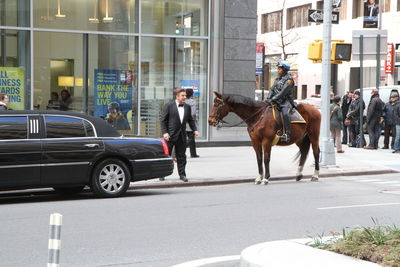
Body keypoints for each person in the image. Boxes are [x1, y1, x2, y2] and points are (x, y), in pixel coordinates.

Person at [160, 88, 199, 182]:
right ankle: (162, 174)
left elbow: (190, 120)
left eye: (185, 95)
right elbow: (163, 120)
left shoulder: (187, 107)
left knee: (182, 156)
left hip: (182, 135)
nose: (185, 97)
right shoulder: (168, 105)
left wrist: (195, 130)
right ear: (177, 96)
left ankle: (182, 175)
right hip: (170, 135)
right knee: (166, 156)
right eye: (183, 95)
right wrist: (165, 132)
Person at [265, 61, 295, 143]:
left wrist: (273, 99)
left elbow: (283, 92)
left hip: (286, 102)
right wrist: (268, 98)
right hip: (276, 101)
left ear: (285, 70)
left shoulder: (289, 80)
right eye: (278, 68)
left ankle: (287, 134)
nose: (278, 70)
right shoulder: (277, 79)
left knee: (285, 114)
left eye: (280, 69)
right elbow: (272, 89)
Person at [185, 89, 200, 158]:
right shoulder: (193, 102)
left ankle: (182, 152)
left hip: (183, 123)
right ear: (191, 94)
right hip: (190, 123)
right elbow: (193, 113)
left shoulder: (182, 101)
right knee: (191, 138)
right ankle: (193, 154)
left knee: (184, 138)